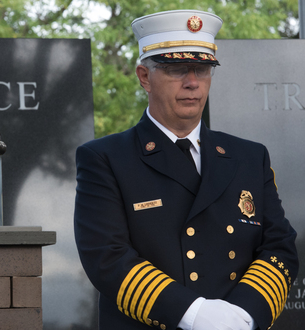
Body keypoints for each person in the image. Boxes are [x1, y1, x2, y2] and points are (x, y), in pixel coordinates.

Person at [74, 9, 298, 330]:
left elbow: (279, 247)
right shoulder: (105, 158)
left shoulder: (250, 156)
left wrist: (242, 316)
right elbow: (107, 257)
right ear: (144, 77)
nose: (193, 83)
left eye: (203, 69)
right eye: (177, 69)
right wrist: (194, 314)